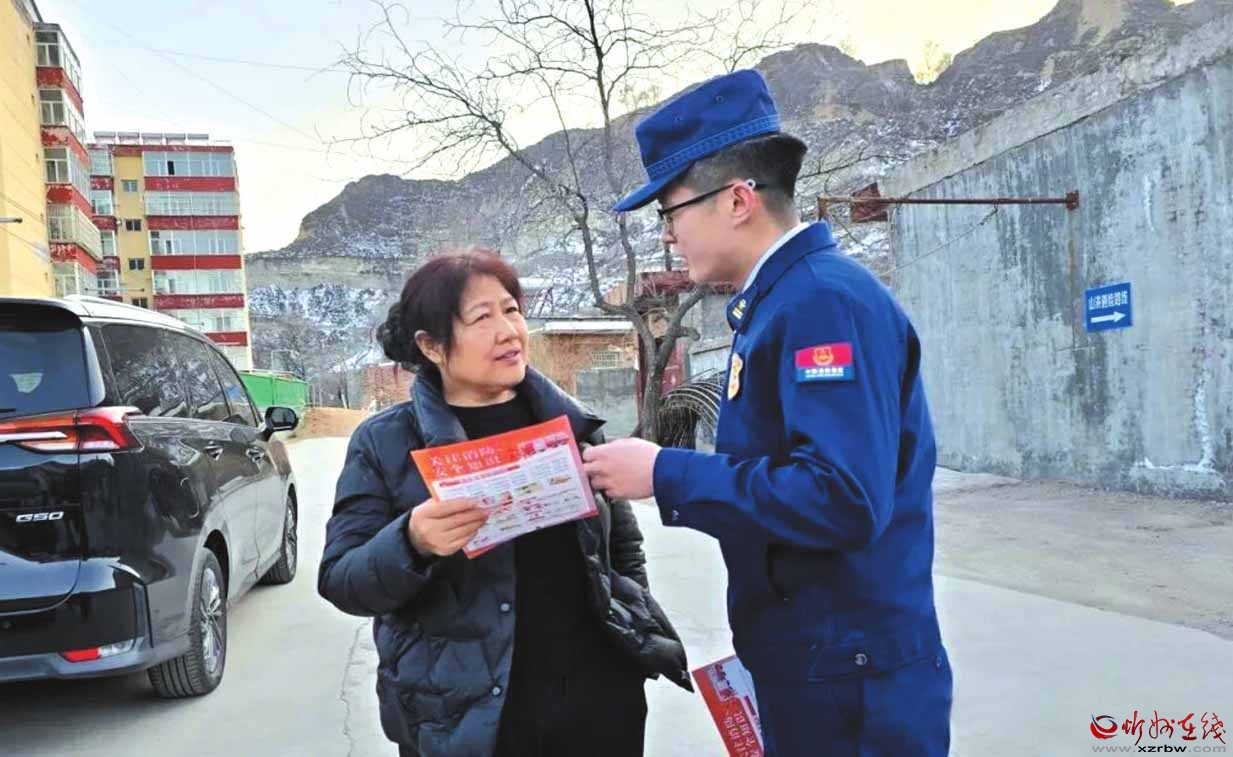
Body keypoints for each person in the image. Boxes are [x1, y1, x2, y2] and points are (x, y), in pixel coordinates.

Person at [582, 69, 952, 756]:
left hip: (850, 679)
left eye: (671, 213)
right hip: (816, 659)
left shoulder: (821, 303)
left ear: (737, 199)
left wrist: (665, 472)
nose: (669, 237)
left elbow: (841, 497)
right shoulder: (781, 302)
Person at [318, 249, 691, 757]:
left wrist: (632, 634)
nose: (509, 331)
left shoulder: (571, 424)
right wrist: (412, 541)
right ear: (431, 345)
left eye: (512, 310)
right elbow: (342, 579)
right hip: (464, 715)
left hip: (598, 702)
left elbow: (622, 548)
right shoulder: (385, 442)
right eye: (482, 318)